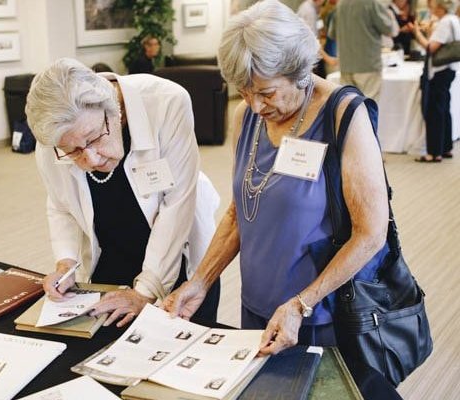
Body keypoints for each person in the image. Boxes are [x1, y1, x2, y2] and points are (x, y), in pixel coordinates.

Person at [163, 1, 401, 398]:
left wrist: (301, 305)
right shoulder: (247, 117)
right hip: (258, 306)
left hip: (320, 311)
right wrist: (200, 281)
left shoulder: (343, 115)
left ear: (300, 71)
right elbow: (241, 212)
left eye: (266, 92)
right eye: (244, 92)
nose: (255, 105)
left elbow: (370, 233)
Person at [25, 58, 221, 328]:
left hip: (179, 255)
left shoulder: (166, 102)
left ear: (113, 110)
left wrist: (146, 290)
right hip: (110, 256)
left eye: (94, 138)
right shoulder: (54, 138)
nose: (91, 159)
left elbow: (178, 203)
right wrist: (66, 263)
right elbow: (61, 205)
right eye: (74, 152)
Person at [413, 0, 460, 162]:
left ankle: (434, 152)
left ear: (440, 6)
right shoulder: (454, 20)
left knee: (434, 111)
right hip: (450, 69)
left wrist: (417, 33)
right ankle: (445, 147)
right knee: (444, 108)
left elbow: (431, 47)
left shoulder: (445, 22)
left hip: (439, 70)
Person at [331, 0, 398, 100]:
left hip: (346, 65)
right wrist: (390, 15)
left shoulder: (340, 4)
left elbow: (332, 34)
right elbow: (390, 30)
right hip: (368, 65)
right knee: (368, 107)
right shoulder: (371, 3)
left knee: (349, 107)